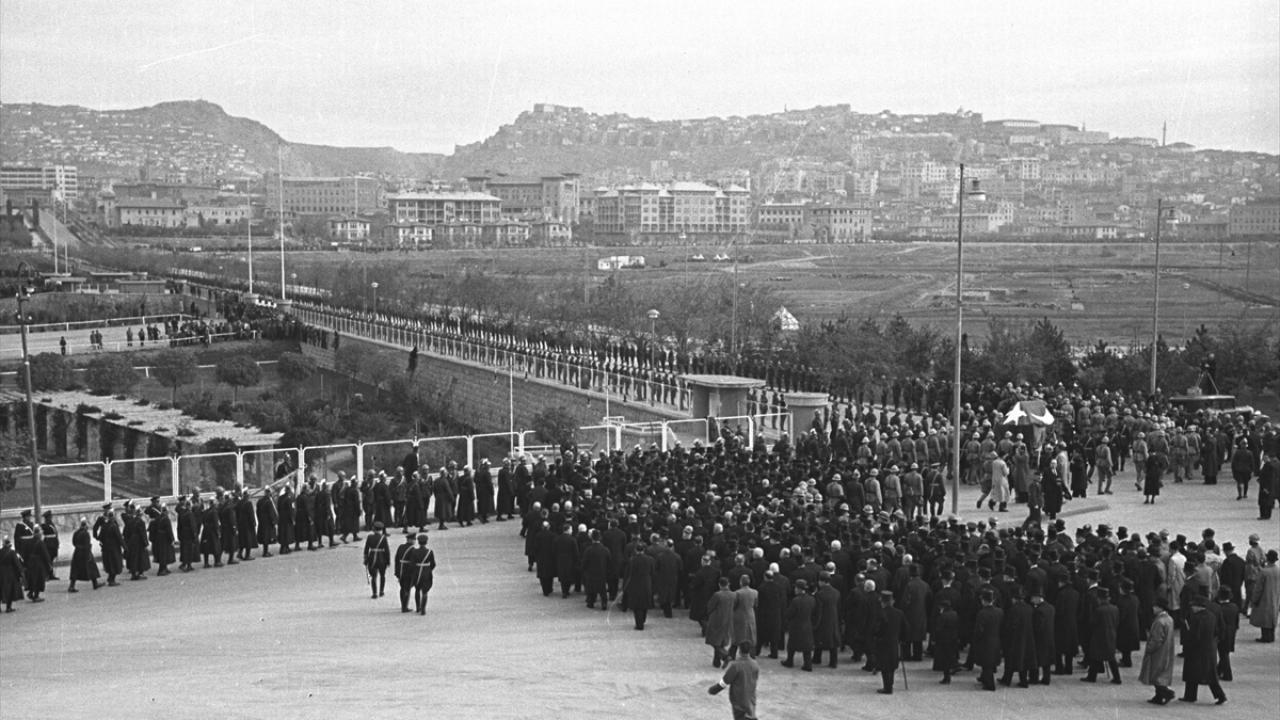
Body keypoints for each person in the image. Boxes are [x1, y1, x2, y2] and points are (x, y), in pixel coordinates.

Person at [1179, 591, 1227, 704]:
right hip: (1209, 649)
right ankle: (1220, 695)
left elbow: (1195, 635)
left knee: (1190, 674)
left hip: (1196, 650)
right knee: (1211, 676)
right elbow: (1216, 631)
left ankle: (1190, 695)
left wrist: (1187, 641)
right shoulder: (1211, 616)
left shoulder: (1196, 618)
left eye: (1193, 606)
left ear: (1199, 606)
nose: (1192, 608)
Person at [707, 641, 759, 720]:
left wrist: (714, 690)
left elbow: (725, 681)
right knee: (750, 715)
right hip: (751, 698)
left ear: (739, 651)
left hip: (738, 699)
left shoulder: (736, 665)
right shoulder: (755, 664)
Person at [1139, 596, 1177, 704]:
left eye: (1155, 607)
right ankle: (1158, 696)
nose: (1153, 608)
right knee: (1161, 674)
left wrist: (1149, 649)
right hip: (1167, 650)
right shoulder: (1169, 619)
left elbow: (1156, 639)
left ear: (1160, 608)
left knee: (1156, 674)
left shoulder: (1159, 622)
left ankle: (1166, 693)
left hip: (1158, 653)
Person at [1082, 586, 1120, 684]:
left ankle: (1092, 676)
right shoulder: (1115, 609)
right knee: (1111, 658)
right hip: (1111, 635)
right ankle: (1117, 677)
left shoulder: (1099, 610)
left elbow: (1092, 623)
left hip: (1099, 636)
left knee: (1095, 656)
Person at [873, 589, 905, 694]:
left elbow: (877, 629)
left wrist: (876, 636)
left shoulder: (881, 613)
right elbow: (905, 627)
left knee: (884, 666)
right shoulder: (899, 613)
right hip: (894, 642)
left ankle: (887, 687)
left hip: (883, 643)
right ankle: (890, 684)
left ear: (883, 601)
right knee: (892, 665)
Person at [972, 588, 1003, 691]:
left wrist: (976, 639)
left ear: (984, 601)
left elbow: (979, 630)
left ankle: (989, 684)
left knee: (986, 664)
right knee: (990, 662)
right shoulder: (999, 612)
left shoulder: (982, 613)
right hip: (996, 640)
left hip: (985, 641)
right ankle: (984, 679)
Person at [782, 579, 816, 671]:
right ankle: (808, 664)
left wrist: (786, 618)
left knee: (792, 645)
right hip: (807, 624)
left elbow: (789, 613)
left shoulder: (796, 600)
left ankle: (789, 661)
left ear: (799, 589)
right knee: (807, 647)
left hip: (796, 625)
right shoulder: (812, 599)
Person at [621, 543, 655, 630]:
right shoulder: (650, 560)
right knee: (645, 603)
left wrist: (625, 586)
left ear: (636, 550)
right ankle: (643, 619)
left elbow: (628, 574)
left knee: (637, 606)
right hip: (647, 583)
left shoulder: (632, 560)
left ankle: (639, 623)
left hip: (635, 584)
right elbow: (653, 573)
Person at [1249, 549, 1279, 642]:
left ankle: (1265, 637)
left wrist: (1254, 599)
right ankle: (1272, 636)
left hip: (1264, 597)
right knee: (1273, 617)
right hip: (1275, 597)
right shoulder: (1278, 570)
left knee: (1264, 618)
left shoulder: (1264, 572)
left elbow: (1258, 588)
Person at [706, 577, 735, 667]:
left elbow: (710, 606)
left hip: (717, 620)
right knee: (721, 641)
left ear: (719, 585)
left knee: (714, 641)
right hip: (728, 620)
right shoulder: (733, 595)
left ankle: (725, 656)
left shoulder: (717, 595)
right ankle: (716, 661)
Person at [405, 532, 437, 615]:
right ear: (426, 542)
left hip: (417, 572)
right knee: (425, 592)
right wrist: (428, 570)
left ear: (418, 542)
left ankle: (418, 607)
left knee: (417, 589)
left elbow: (412, 564)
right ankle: (423, 609)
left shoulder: (414, 551)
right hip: (426, 572)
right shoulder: (430, 552)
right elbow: (433, 564)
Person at [67, 518, 101, 592]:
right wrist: (88, 554)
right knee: (92, 567)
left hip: (77, 552)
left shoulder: (76, 533)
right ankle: (95, 583)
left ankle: (71, 585)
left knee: (75, 570)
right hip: (85, 552)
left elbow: (74, 542)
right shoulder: (86, 533)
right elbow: (87, 544)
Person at [932, 597, 959, 684]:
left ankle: (946, 677)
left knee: (944, 660)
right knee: (951, 656)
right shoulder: (955, 614)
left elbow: (938, 629)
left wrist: (934, 639)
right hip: (953, 639)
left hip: (944, 640)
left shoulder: (942, 616)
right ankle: (952, 670)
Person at [363, 521, 391, 599]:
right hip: (382, 558)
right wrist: (388, 560)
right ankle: (381, 591)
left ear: (374, 529)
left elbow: (366, 549)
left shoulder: (370, 537)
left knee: (373, 576)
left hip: (372, 558)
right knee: (382, 575)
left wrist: (365, 559)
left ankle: (374, 593)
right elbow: (387, 550)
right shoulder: (383, 538)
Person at [394, 529, 417, 613]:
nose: (415, 541)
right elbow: (413, 564)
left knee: (402, 588)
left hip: (400, 570)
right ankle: (405, 607)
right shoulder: (413, 549)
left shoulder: (400, 547)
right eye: (414, 539)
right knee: (407, 589)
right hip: (408, 572)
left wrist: (396, 571)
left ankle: (402, 604)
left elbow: (396, 559)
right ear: (410, 540)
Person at [0, 537, 23, 612]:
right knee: (10, 590)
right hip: (10, 573)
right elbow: (17, 564)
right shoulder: (12, 552)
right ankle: (8, 607)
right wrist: (21, 573)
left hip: (1, 573)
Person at [39, 511, 59, 580]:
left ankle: (51, 574)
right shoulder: (45, 525)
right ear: (47, 518)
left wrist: (57, 543)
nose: (51, 517)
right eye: (50, 516)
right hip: (48, 544)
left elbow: (55, 534)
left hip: (53, 543)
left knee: (51, 559)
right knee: (48, 560)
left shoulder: (51, 524)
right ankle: (47, 575)